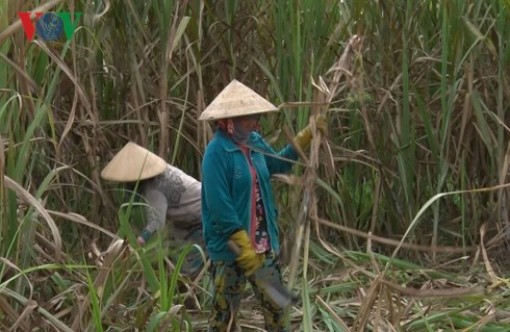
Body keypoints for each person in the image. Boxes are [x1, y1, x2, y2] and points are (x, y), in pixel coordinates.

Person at [199, 79, 326, 331]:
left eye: (256, 118)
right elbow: (218, 203)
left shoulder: (254, 142)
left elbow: (277, 164)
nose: (255, 123)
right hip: (230, 249)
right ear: (230, 121)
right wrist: (240, 241)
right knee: (224, 317)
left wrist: (304, 138)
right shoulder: (216, 153)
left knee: (277, 310)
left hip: (262, 245)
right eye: (249, 119)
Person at [100, 141, 204, 277]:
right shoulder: (161, 172)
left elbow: (156, 224)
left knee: (186, 271)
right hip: (187, 220)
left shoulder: (154, 190)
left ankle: (191, 292)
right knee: (175, 257)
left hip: (202, 217)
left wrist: (137, 245)